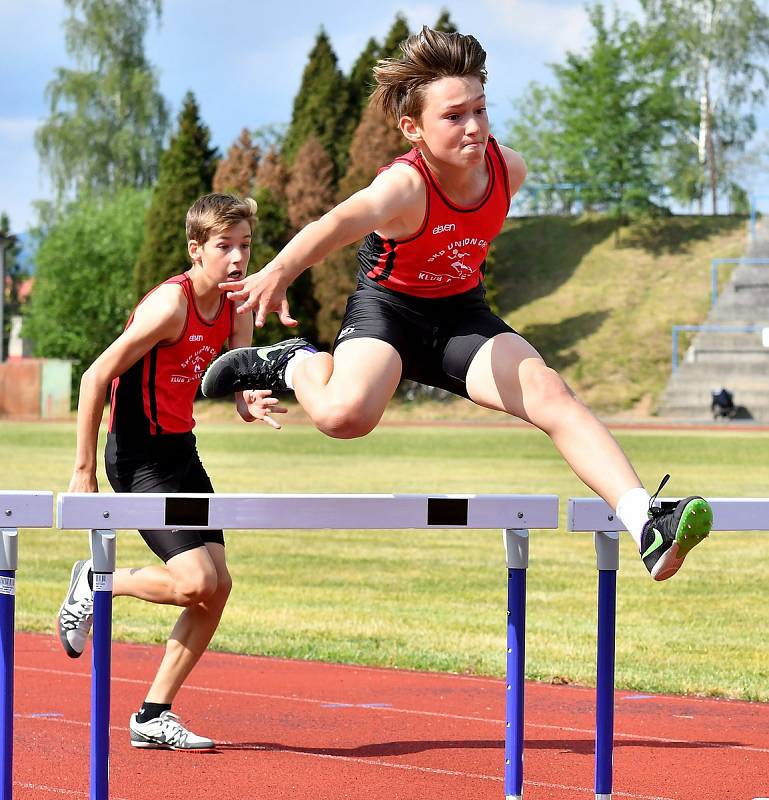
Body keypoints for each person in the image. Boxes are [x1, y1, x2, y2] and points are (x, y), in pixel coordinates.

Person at [201, 27, 713, 581]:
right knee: (343, 417)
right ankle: (295, 362)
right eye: (453, 116)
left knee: (547, 389)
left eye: (480, 110)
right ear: (412, 128)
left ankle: (646, 522)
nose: (473, 127)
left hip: (461, 316)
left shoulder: (506, 171)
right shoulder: (404, 187)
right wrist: (279, 270)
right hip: (389, 313)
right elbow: (336, 224)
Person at [57, 193, 285, 750]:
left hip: (181, 453)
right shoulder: (170, 307)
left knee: (218, 588)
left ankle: (152, 714)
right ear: (196, 249)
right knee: (195, 582)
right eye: (224, 247)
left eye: (245, 247)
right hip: (137, 459)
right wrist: (83, 471)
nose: (237, 260)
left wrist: (247, 399)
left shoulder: (236, 305)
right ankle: (97, 580)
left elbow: (236, 370)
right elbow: (93, 378)